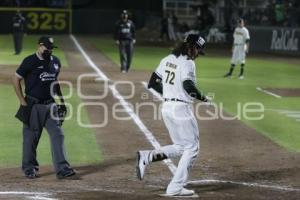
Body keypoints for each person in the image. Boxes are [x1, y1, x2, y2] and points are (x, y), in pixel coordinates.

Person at [136, 34, 209, 197]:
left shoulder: (167, 59)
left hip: (167, 107)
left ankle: (147, 156)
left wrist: (168, 94)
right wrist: (203, 97)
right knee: (192, 148)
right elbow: (188, 85)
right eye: (198, 49)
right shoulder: (188, 63)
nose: (198, 53)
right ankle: (175, 187)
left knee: (181, 147)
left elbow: (152, 82)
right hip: (181, 109)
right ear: (191, 47)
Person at [12, 36, 76, 179]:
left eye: (52, 48)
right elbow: (15, 79)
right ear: (40, 46)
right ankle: (29, 168)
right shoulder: (30, 61)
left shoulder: (56, 62)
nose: (50, 50)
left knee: (58, 135)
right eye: (48, 47)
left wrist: (61, 101)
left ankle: (62, 168)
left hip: (51, 105)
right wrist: (22, 101)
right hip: (33, 105)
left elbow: (55, 82)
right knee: (31, 138)